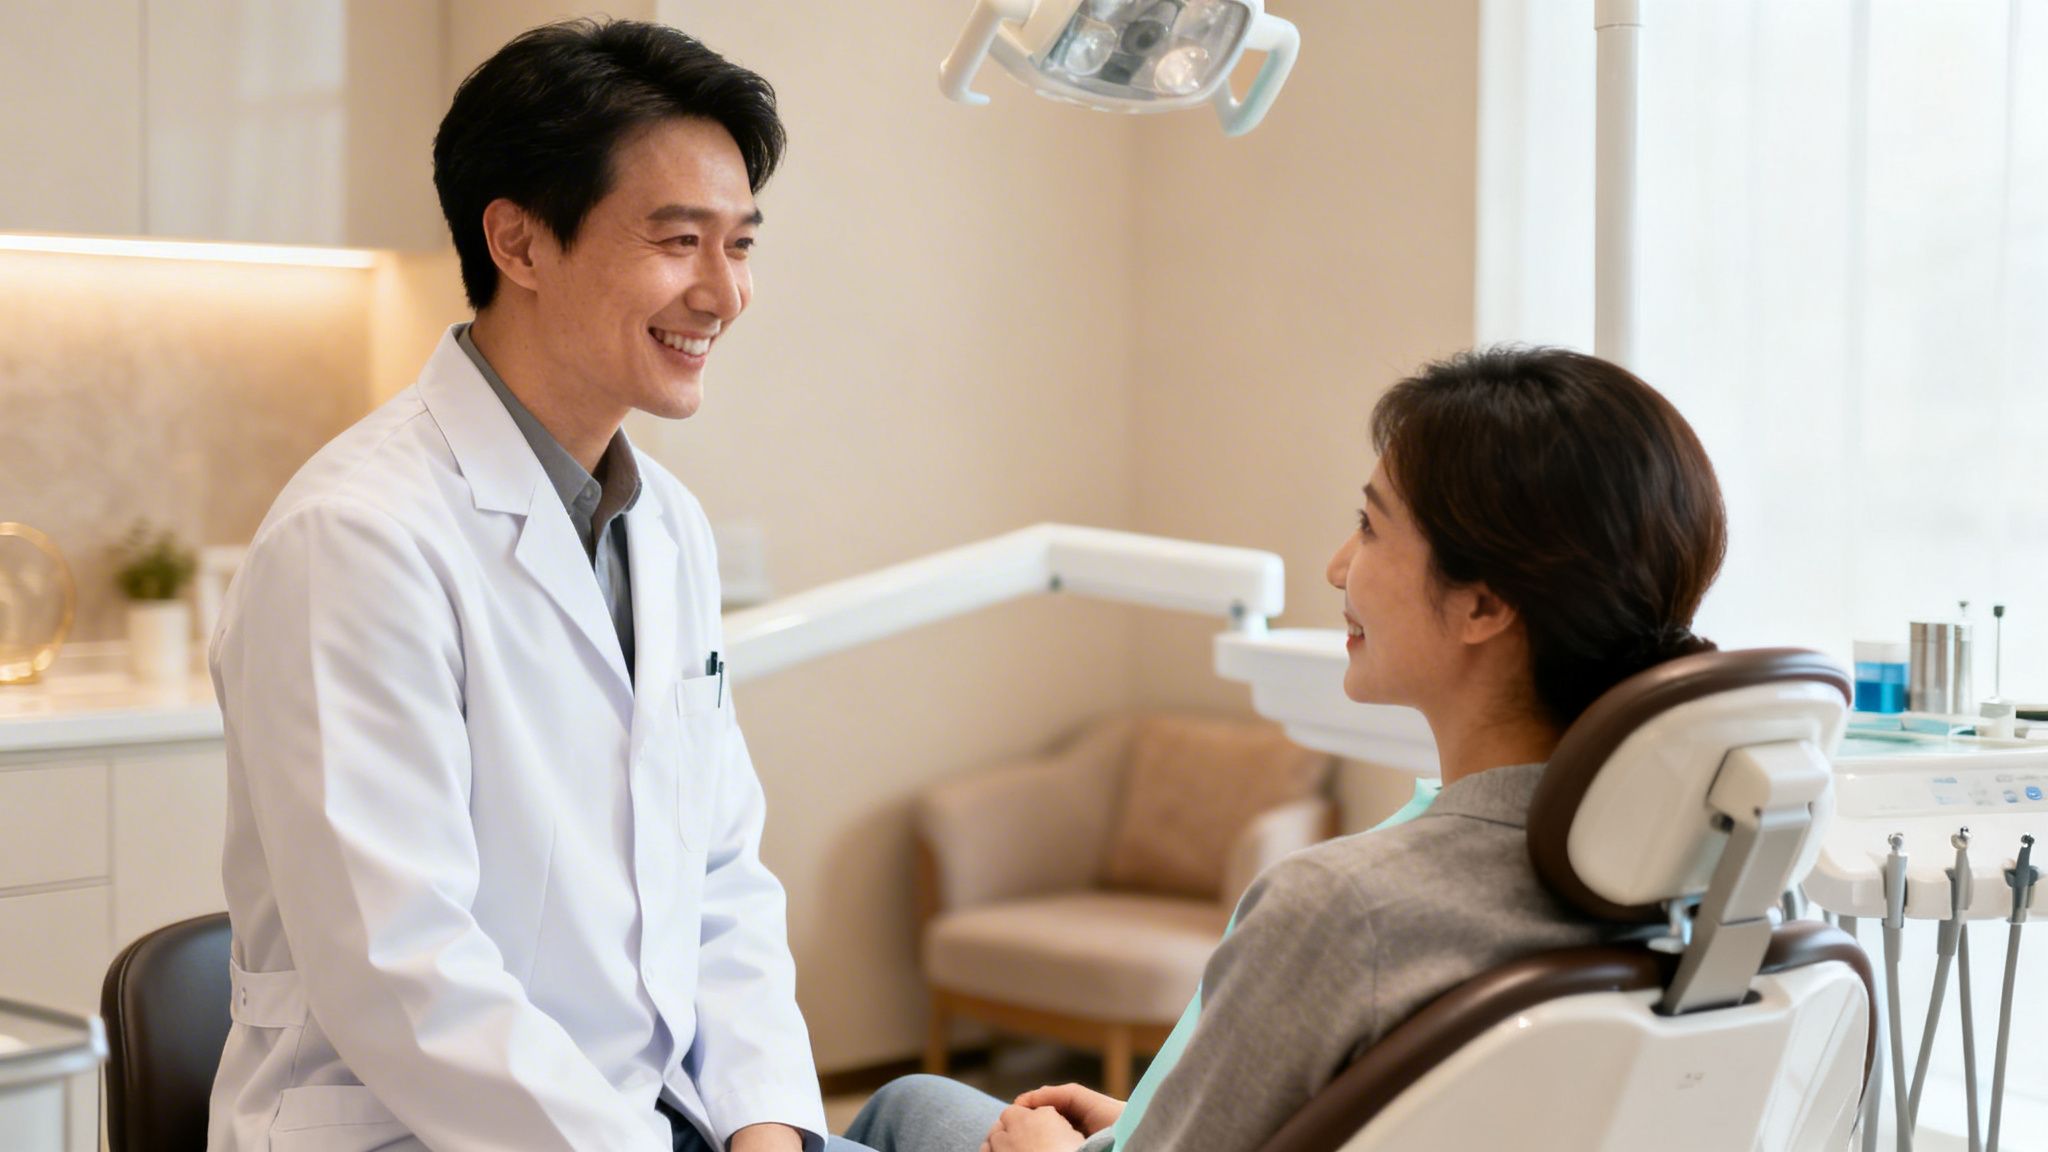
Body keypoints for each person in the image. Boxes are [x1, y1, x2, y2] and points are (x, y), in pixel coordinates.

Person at [207, 20, 867, 1152]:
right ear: (516, 241)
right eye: (679, 241)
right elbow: (402, 972)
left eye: (739, 245)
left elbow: (720, 881)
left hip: (651, 1119)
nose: (724, 293)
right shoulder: (356, 538)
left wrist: (768, 1128)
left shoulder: (666, 526)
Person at [843, 345, 1729, 1152]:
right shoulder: (1719, 887)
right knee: (917, 1102)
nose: (1339, 566)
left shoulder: (1347, 909)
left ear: (1483, 604)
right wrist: (1149, 1121)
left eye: (1371, 527)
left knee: (892, 1113)